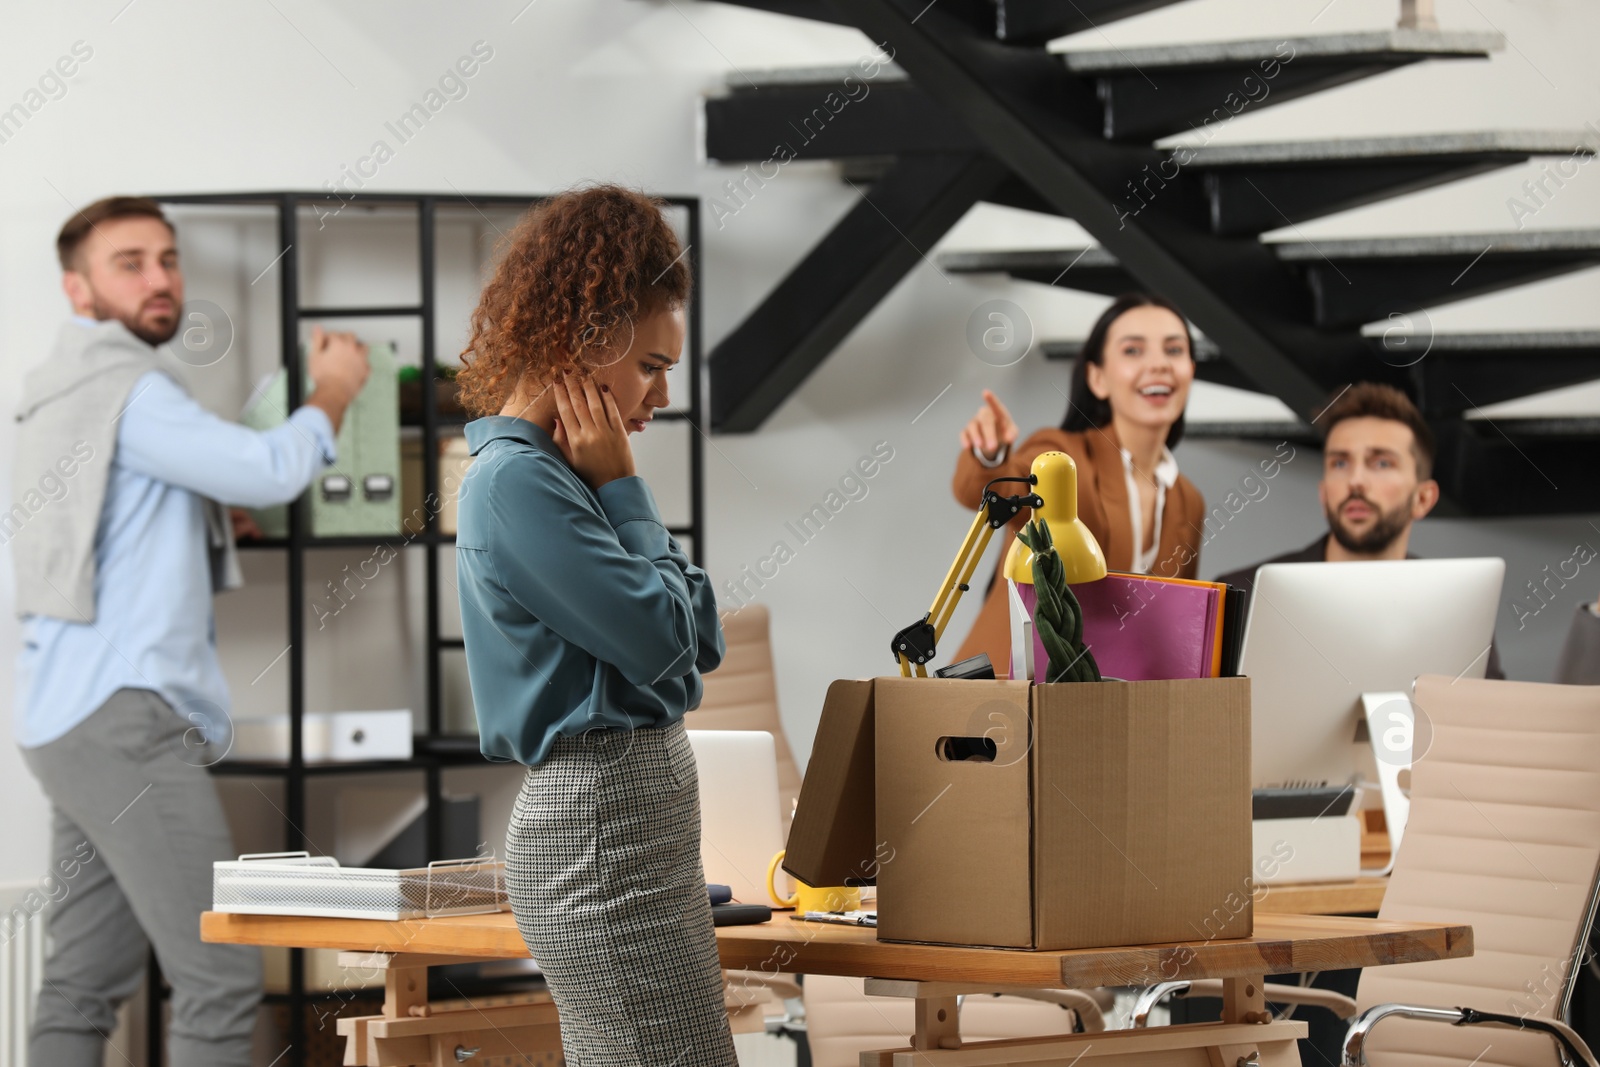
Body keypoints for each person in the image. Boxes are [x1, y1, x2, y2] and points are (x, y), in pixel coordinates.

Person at [10, 196, 370, 1065]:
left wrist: (208, 521)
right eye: (129, 262)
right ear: (78, 288)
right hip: (126, 719)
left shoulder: (55, 396)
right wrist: (336, 388)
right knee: (216, 977)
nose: (160, 278)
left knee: (80, 984)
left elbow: (109, 521)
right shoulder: (130, 390)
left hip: (64, 719)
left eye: (167, 259)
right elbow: (269, 466)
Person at [452, 186, 733, 1066]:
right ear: (587, 332)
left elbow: (701, 639)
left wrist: (617, 492)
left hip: (633, 830)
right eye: (651, 363)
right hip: (601, 834)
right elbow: (666, 641)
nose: (660, 391)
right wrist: (627, 494)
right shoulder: (515, 485)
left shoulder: (564, 475)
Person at [951, 292, 1205, 674]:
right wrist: (990, 456)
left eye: (1173, 350)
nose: (1158, 364)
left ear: (1190, 369)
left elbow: (1170, 623)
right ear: (1097, 378)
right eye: (1133, 351)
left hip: (1101, 701)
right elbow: (990, 493)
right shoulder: (1060, 458)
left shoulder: (1189, 501)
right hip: (1009, 688)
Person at [1214, 381, 1504, 679]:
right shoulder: (1244, 596)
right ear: (1324, 494)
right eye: (1340, 463)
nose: (1356, 481)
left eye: (1381, 462)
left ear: (1423, 498)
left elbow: (1489, 721)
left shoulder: (1459, 609)